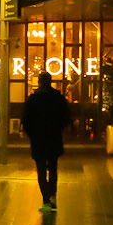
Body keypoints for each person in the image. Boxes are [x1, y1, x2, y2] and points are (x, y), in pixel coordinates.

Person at [20, 72, 74, 209]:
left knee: (41, 170)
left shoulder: (33, 99)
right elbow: (66, 117)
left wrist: (31, 134)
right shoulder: (58, 98)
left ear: (39, 82)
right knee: (53, 169)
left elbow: (26, 120)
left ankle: (46, 199)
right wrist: (59, 129)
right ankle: (52, 195)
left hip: (38, 139)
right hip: (54, 138)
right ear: (50, 82)